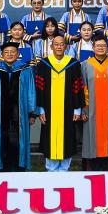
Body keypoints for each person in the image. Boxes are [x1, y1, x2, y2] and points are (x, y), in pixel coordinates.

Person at [0, 41, 37, 172]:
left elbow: (31, 91)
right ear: (2, 55)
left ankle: (19, 168)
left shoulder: (26, 70)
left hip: (20, 115)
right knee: (1, 142)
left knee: (19, 142)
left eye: (12, 52)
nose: (9, 54)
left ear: (18, 54)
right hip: (0, 115)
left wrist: (31, 113)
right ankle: (1, 168)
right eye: (6, 52)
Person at [34, 34, 85, 172]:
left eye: (62, 44)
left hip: (68, 109)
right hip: (48, 110)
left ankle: (64, 169)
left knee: (67, 137)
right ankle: (51, 170)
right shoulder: (44, 64)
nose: (59, 47)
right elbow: (40, 88)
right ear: (51, 46)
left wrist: (77, 109)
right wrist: (41, 110)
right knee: (49, 138)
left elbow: (77, 87)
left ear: (66, 46)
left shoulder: (73, 64)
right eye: (56, 44)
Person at [80, 37, 108, 170]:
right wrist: (83, 110)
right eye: (98, 45)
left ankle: (107, 169)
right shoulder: (85, 65)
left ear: (107, 48)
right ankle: (93, 171)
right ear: (93, 48)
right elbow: (83, 89)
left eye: (103, 45)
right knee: (92, 140)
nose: (101, 48)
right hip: (91, 111)